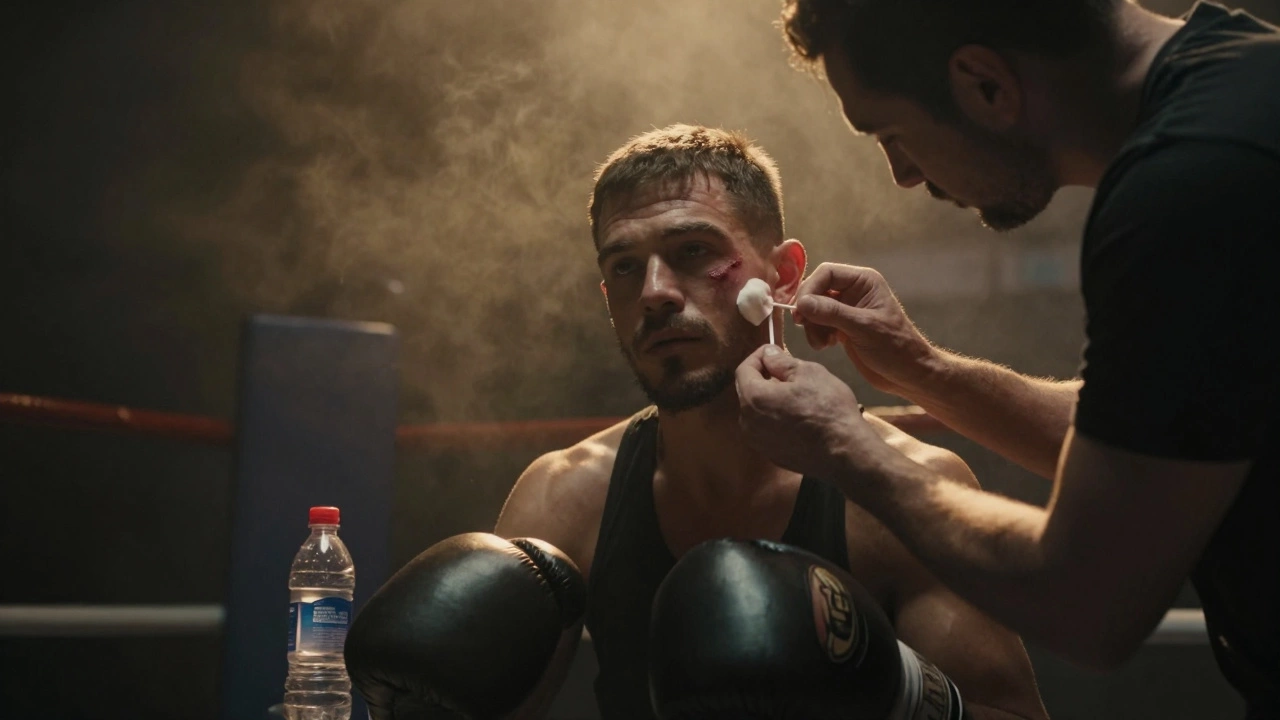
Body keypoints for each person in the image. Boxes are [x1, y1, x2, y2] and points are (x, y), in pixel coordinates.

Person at [341, 125, 1051, 720]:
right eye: (625, 269)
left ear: (781, 275)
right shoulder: (565, 497)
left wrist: (884, 688)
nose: (654, 293)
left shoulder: (901, 491)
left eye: (693, 253)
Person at [733, 0, 1280, 716]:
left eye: (891, 133)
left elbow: (1088, 598)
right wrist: (921, 369)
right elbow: (1161, 431)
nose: (901, 173)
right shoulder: (1246, 84)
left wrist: (845, 444)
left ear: (984, 85)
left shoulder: (1188, 194)